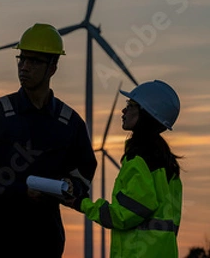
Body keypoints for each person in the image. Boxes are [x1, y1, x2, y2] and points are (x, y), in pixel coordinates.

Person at [0, 23, 97, 258]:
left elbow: (85, 169)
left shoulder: (69, 122)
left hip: (44, 239)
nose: (24, 67)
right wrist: (21, 191)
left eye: (34, 61)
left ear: (53, 68)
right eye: (21, 59)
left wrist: (69, 186)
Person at [63, 80, 183, 258]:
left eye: (130, 105)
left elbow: (123, 215)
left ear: (145, 113)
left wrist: (81, 203)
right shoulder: (167, 164)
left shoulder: (139, 160)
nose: (123, 110)